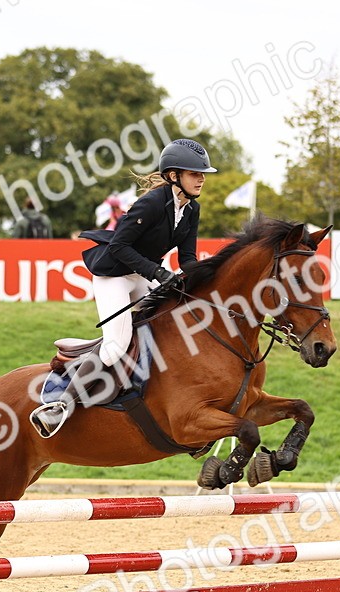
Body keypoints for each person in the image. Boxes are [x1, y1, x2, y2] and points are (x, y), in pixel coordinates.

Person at [29, 137, 216, 437]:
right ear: (173, 176)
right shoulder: (152, 203)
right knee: (116, 347)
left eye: (203, 173)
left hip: (140, 275)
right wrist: (158, 272)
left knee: (161, 329)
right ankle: (59, 404)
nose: (202, 178)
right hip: (113, 274)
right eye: (195, 173)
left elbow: (188, 258)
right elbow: (119, 246)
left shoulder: (191, 210)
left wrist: (211, 276)